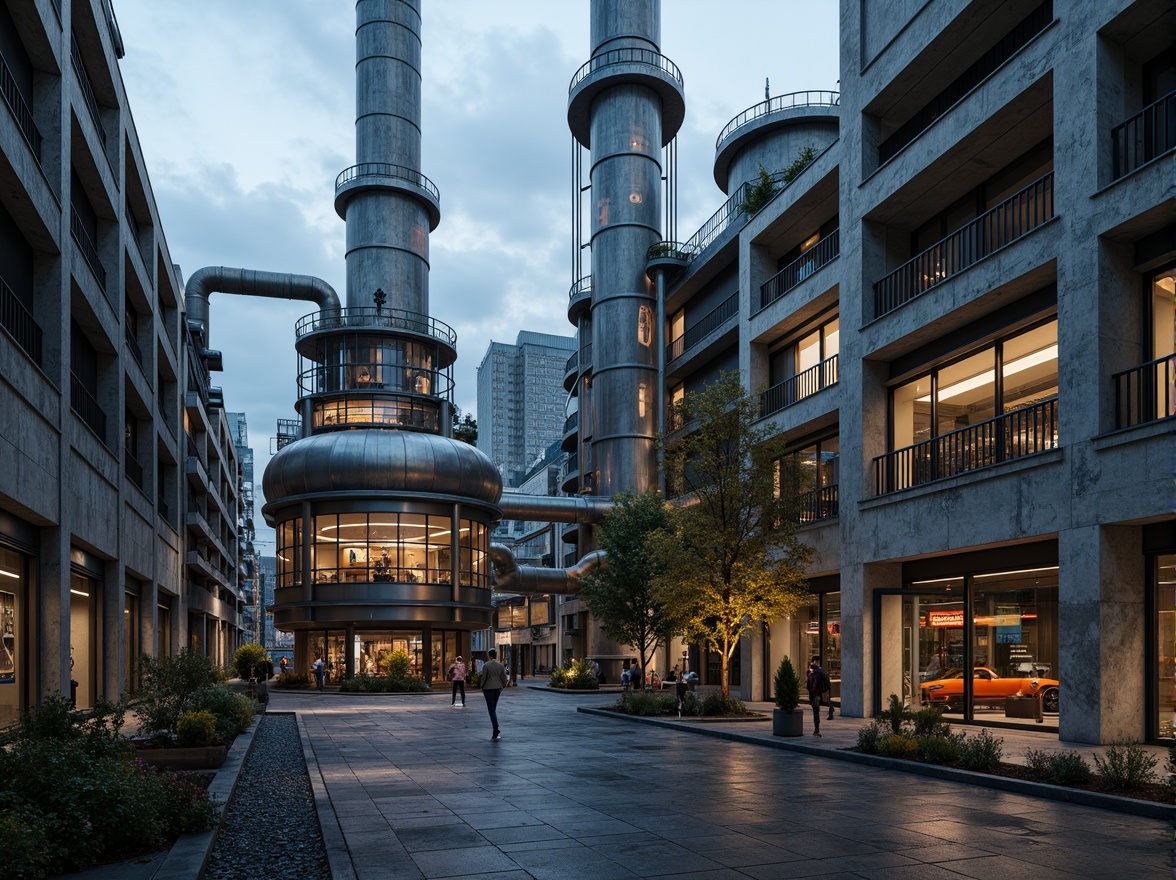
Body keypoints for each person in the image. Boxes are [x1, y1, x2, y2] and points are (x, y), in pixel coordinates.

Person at [480, 649, 508, 740]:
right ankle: (496, 728)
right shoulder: (500, 665)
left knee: (491, 709)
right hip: (497, 688)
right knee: (493, 707)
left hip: (488, 688)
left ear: (489, 655)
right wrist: (504, 685)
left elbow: (484, 678)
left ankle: (495, 728)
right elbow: (504, 677)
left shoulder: (486, 666)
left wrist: (481, 686)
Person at [806, 655, 830, 737]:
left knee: (815, 711)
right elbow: (826, 680)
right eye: (818, 662)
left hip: (812, 694)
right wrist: (825, 689)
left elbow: (808, 685)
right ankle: (817, 729)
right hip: (817, 694)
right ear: (817, 662)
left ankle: (816, 729)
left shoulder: (809, 671)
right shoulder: (819, 671)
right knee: (816, 711)